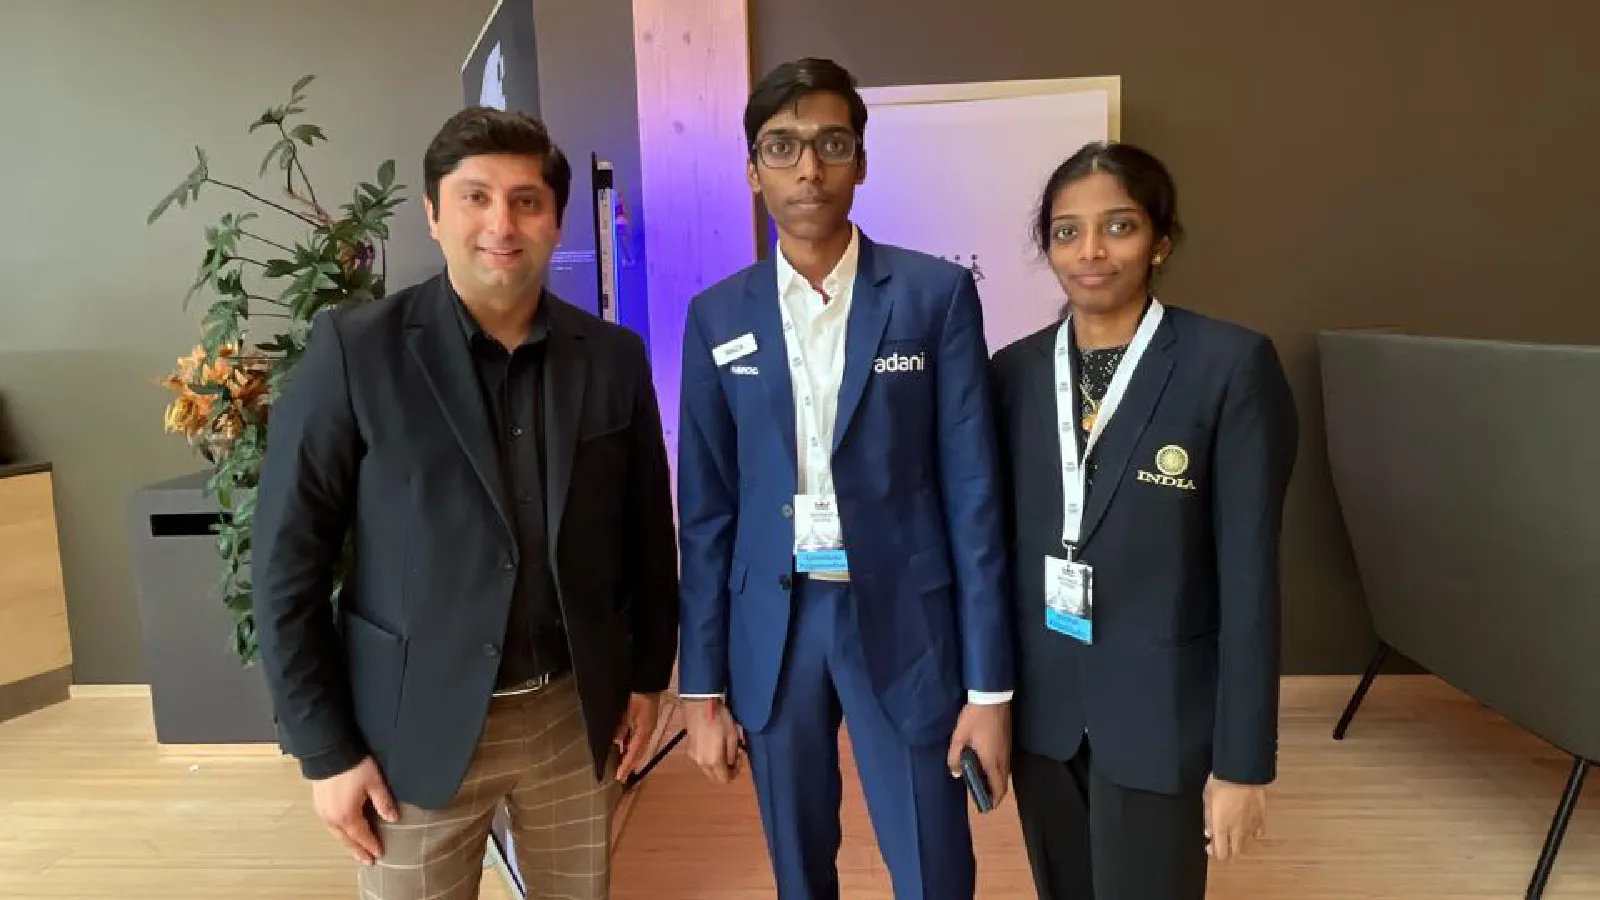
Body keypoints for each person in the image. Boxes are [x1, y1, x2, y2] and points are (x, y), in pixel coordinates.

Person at [251, 106, 679, 900]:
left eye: (526, 200)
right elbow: (286, 565)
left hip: (569, 718)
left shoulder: (613, 359)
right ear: (433, 213)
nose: (501, 223)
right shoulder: (356, 351)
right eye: (475, 197)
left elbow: (647, 536)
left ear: (554, 220)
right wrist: (326, 752)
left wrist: (648, 681)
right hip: (411, 729)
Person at [674, 57, 1014, 900]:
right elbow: (707, 511)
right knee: (797, 865)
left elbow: (974, 496)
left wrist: (990, 687)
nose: (808, 168)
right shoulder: (717, 315)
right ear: (753, 171)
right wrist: (701, 687)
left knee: (933, 865)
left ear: (861, 159)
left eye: (831, 143)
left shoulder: (933, 296)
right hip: (774, 626)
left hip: (904, 615)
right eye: (782, 147)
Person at [988, 141, 1299, 899]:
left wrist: (1243, 762)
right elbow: (990, 555)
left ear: (1160, 241)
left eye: (1118, 227)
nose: (1090, 251)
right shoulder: (1012, 373)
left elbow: (1251, 580)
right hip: (1045, 715)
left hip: (1163, 716)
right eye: (1067, 231)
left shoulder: (1229, 367)